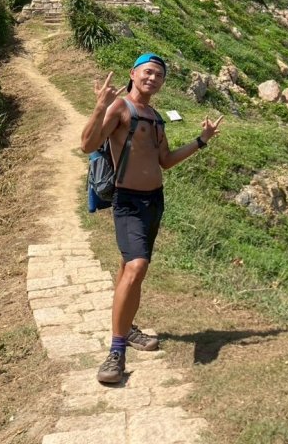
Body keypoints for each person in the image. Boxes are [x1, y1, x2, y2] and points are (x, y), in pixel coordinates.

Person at [80, 52, 222, 385]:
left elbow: (166, 161)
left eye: (159, 75)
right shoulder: (121, 108)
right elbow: (87, 144)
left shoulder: (155, 117)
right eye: (148, 72)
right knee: (137, 266)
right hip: (128, 202)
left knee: (128, 267)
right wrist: (100, 105)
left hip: (154, 202)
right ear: (133, 73)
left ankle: (126, 328)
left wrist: (201, 141)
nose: (153, 78)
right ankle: (116, 352)